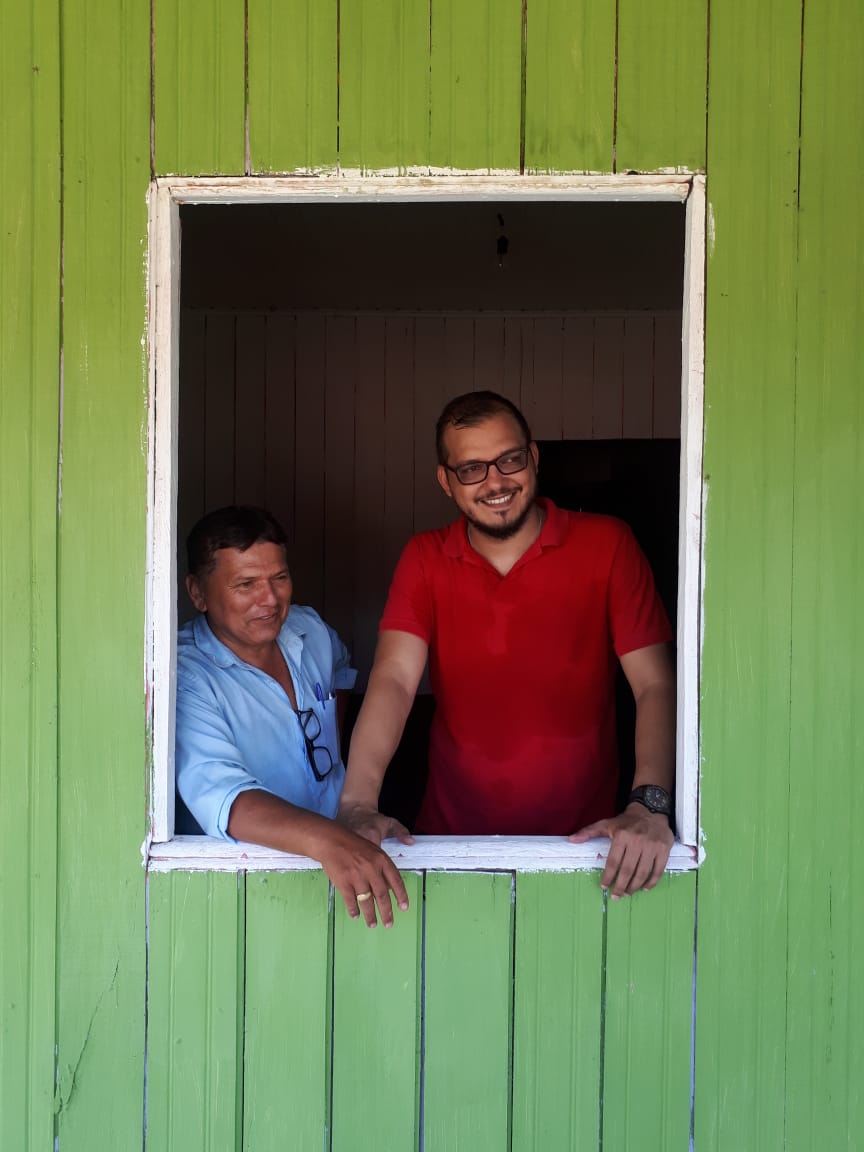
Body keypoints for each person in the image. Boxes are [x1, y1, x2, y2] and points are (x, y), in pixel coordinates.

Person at [339, 391, 676, 898]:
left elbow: (654, 684)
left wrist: (649, 806)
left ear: (533, 458)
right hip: (447, 845)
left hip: (590, 847)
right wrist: (357, 805)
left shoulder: (608, 544)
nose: (495, 481)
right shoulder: (426, 558)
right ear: (446, 481)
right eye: (471, 468)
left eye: (509, 459)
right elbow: (394, 680)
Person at [175, 505, 408, 927]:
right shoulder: (185, 675)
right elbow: (227, 800)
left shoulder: (307, 629)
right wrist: (331, 840)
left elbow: (340, 670)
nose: (270, 599)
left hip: (343, 854)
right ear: (197, 592)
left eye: (279, 578)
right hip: (244, 890)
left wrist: (338, 785)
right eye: (246, 584)